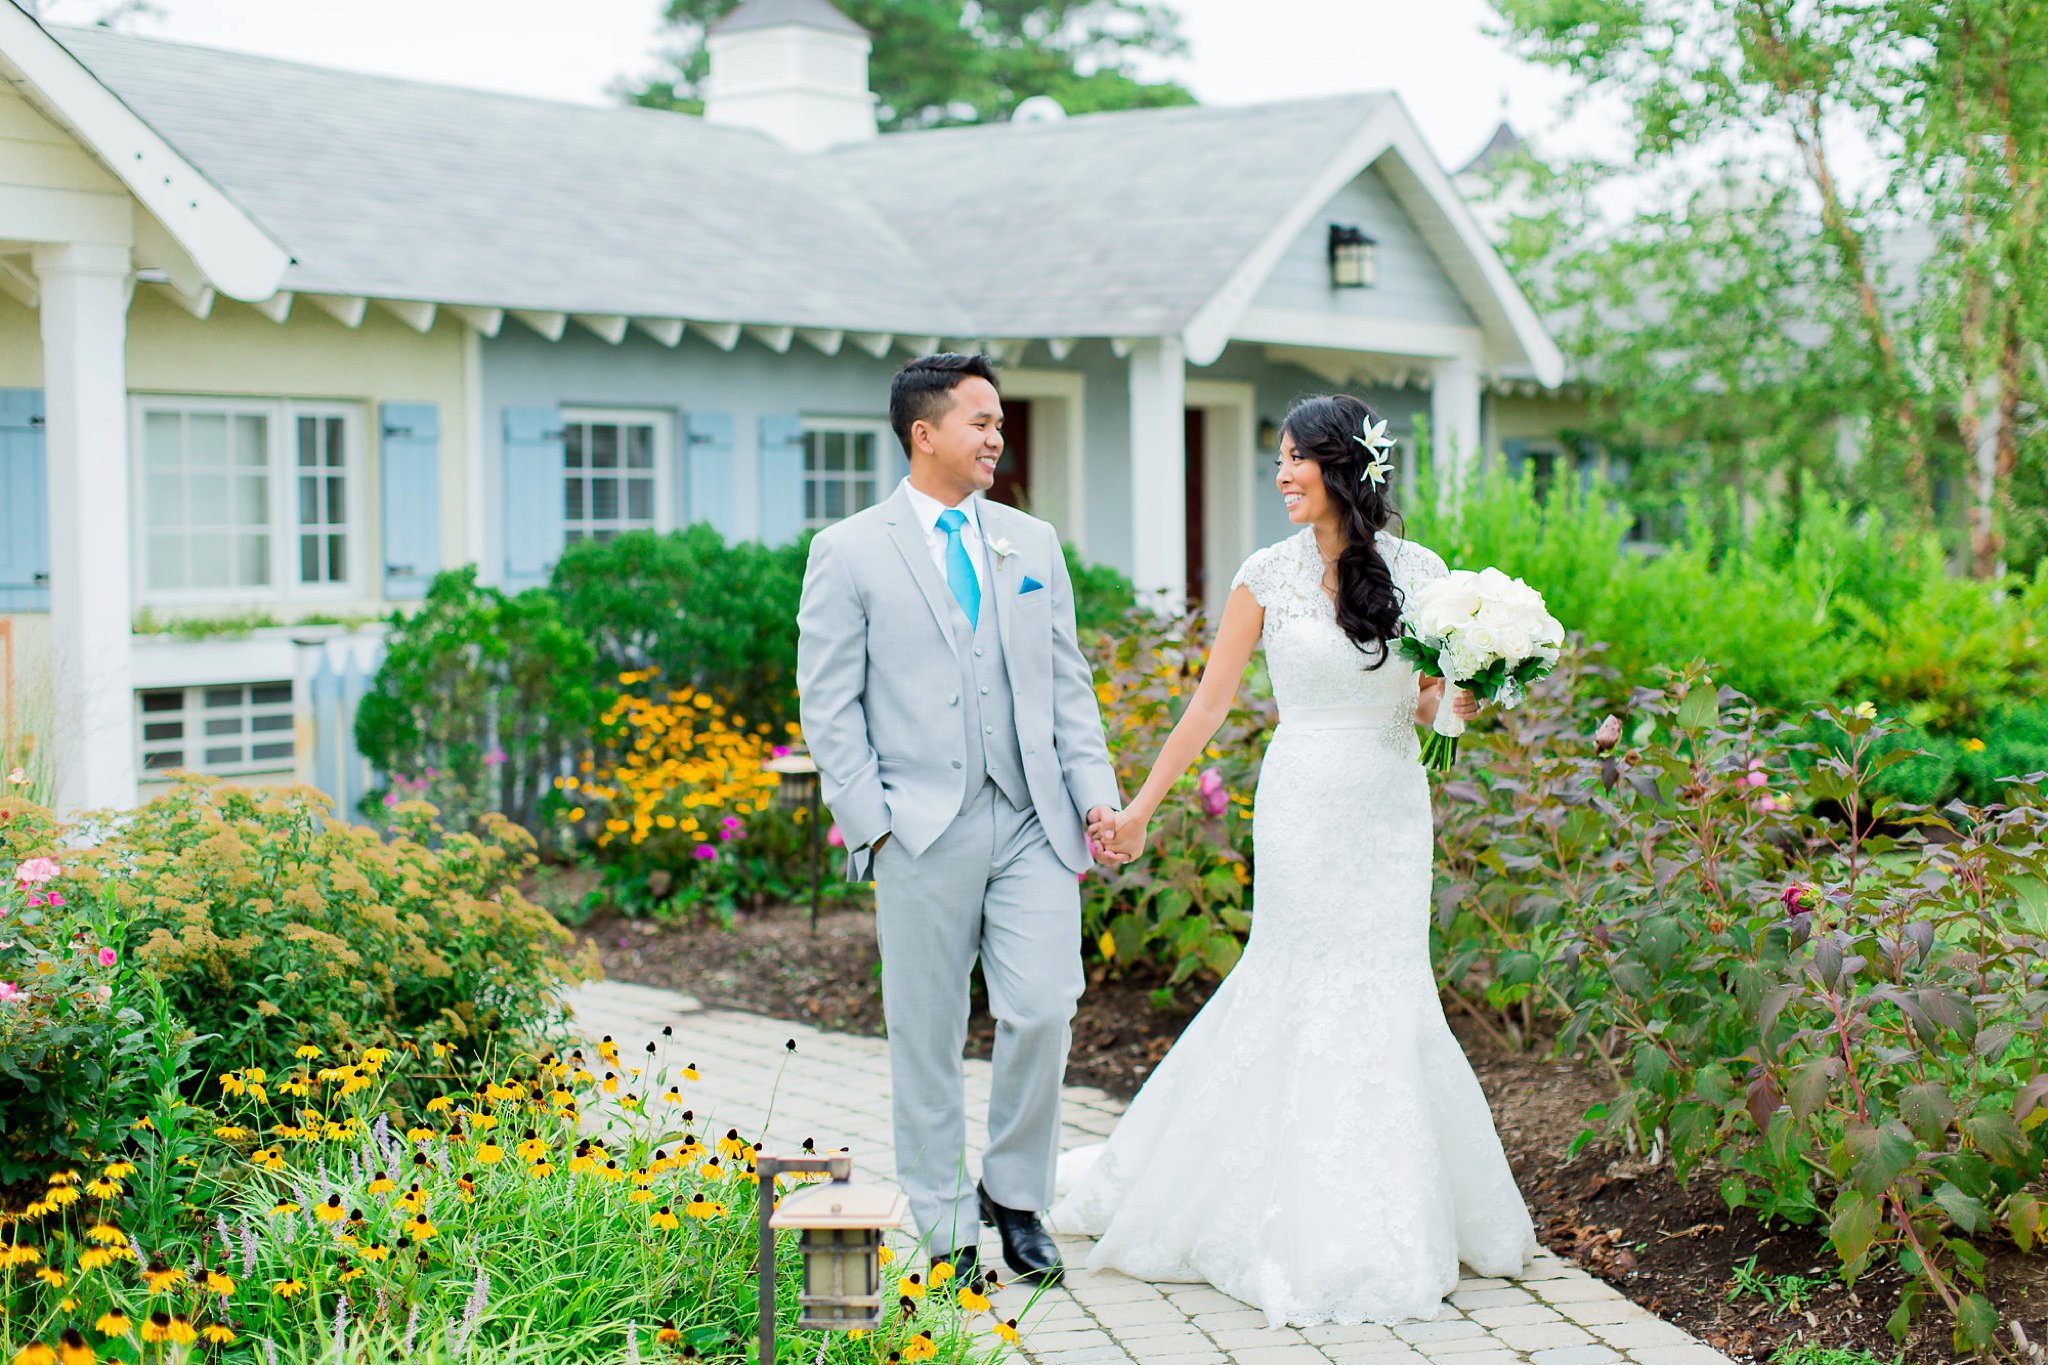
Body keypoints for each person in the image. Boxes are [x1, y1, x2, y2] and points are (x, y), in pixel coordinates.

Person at [1053, 393, 1537, 1326]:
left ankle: (1401, 1207)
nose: (1279, 475)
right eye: (1275, 458)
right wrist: (1143, 808)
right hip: (1305, 799)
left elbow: (1436, 710)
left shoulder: (1422, 574)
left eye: (1293, 459)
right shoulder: (1263, 577)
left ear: (1342, 469)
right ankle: (1273, 1207)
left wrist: (1472, 692)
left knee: (1390, 983)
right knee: (1297, 978)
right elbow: (1208, 707)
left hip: (1392, 804)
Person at [796, 353, 1123, 1286]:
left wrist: (1092, 790)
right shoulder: (849, 549)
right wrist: (875, 824)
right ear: (923, 432)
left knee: (1043, 1006)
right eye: (980, 420)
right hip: (919, 827)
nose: (997, 435)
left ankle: (1015, 1195)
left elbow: (1069, 687)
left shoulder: (1033, 542)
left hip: (1031, 820)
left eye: (1000, 420)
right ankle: (942, 1221)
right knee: (927, 1029)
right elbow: (829, 705)